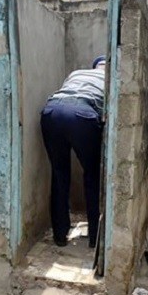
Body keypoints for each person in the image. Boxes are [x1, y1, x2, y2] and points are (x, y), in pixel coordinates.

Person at [40, 55, 106, 249]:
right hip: (82, 114)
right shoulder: (112, 78)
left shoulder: (76, 73)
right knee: (92, 176)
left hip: (52, 111)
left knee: (59, 174)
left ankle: (60, 235)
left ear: (94, 67)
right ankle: (95, 237)